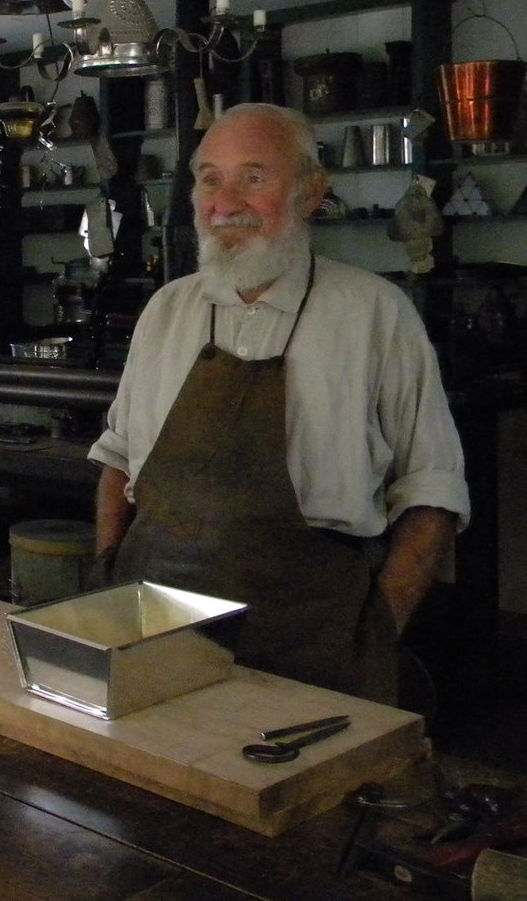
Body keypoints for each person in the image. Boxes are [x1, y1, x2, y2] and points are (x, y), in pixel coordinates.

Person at [91, 102, 468, 705]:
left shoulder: (374, 313)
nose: (226, 201)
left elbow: (434, 489)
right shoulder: (166, 310)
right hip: (152, 620)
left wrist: (376, 631)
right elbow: (116, 456)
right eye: (210, 177)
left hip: (311, 635)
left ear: (311, 194)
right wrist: (108, 567)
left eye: (254, 177)